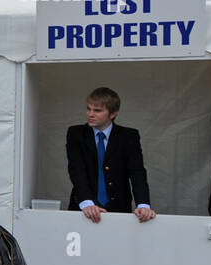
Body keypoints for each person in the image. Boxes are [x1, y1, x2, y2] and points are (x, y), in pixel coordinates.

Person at [65, 87, 154, 223]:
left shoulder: (129, 136)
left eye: (97, 110)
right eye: (88, 109)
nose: (90, 114)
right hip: (83, 209)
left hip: (119, 209)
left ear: (113, 114)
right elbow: (77, 169)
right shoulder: (76, 133)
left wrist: (143, 205)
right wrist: (87, 203)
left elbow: (137, 172)